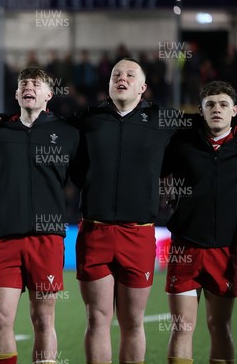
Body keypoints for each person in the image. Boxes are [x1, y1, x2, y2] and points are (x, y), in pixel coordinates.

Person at [74, 58, 178, 364]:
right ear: (108, 85)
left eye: (130, 75)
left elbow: (201, 137)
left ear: (143, 87)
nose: (122, 78)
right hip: (95, 232)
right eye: (116, 74)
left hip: (139, 233)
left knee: (133, 322)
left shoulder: (163, 119)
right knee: (97, 319)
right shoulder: (89, 119)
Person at [0, 67, 79, 364]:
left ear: (49, 95)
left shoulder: (68, 133)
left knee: (43, 318)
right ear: (16, 94)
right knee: (0, 319)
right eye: (23, 83)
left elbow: (85, 178)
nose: (29, 87)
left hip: (47, 239)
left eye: (37, 84)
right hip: (6, 238)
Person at [162, 81, 237, 364]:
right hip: (186, 246)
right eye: (210, 105)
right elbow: (151, 171)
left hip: (227, 250)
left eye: (223, 105)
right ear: (200, 111)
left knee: (220, 328)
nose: (216, 110)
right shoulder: (182, 144)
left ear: (234, 111)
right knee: (181, 328)